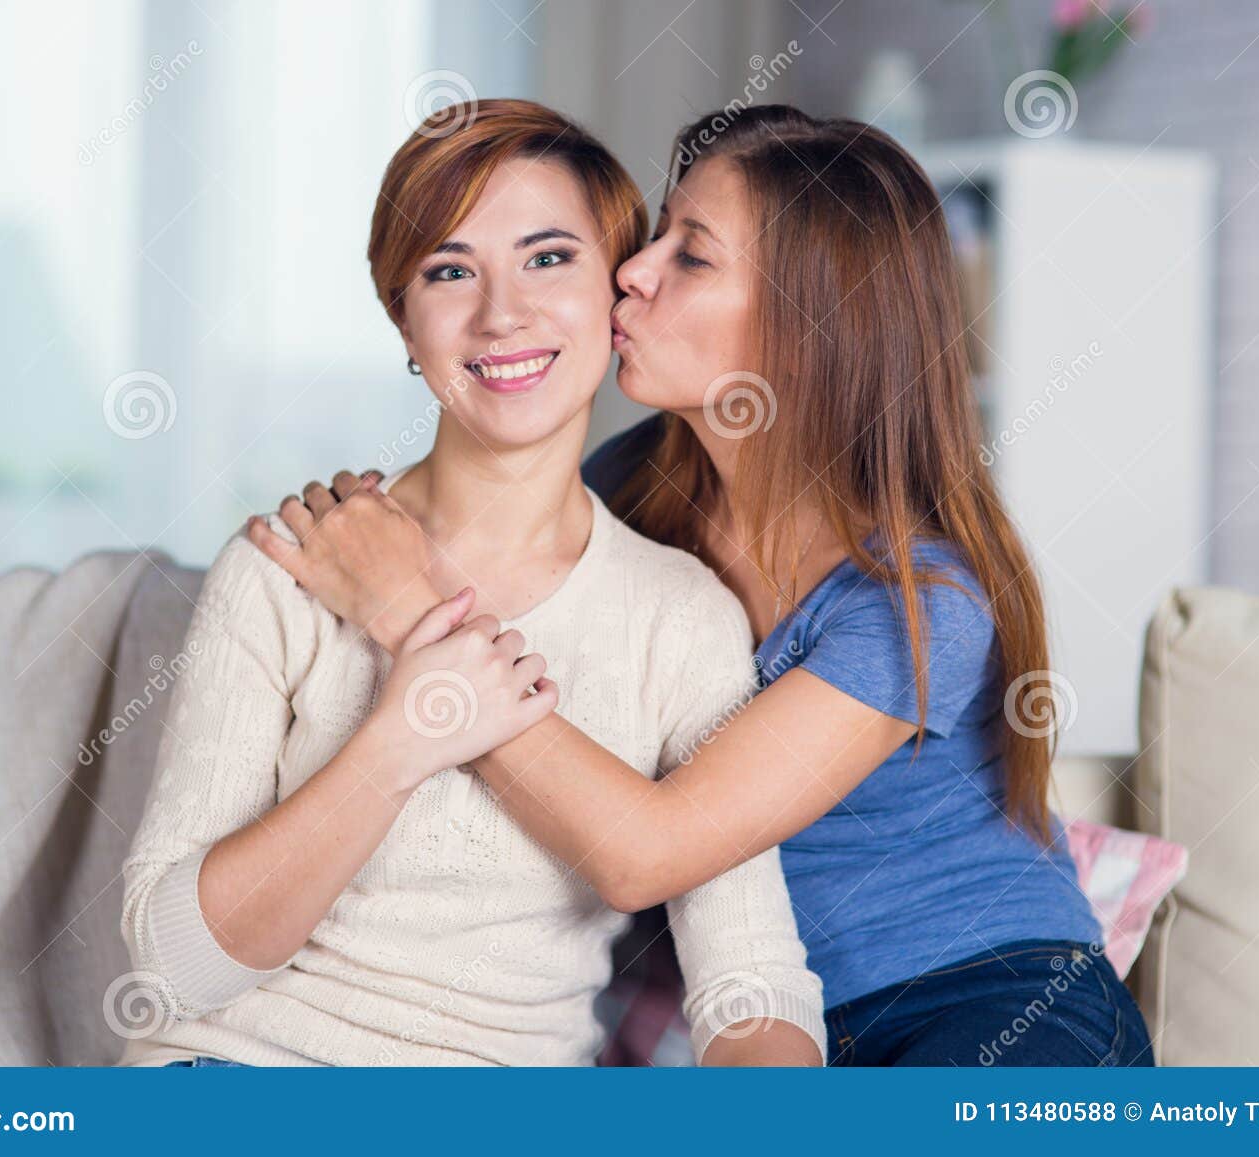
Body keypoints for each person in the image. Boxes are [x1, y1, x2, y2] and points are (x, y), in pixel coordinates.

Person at [251, 104, 1154, 1067]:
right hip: (783, 1024)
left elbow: (648, 852)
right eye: (660, 233)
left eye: (692, 255)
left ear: (807, 326)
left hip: (994, 1003)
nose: (631, 269)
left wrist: (404, 608)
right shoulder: (634, 483)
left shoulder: (913, 601)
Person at [118, 99, 825, 1068]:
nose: (502, 313)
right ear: (404, 321)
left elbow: (748, 980)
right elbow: (172, 964)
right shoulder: (290, 565)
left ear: (616, 297)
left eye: (547, 258)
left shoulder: (680, 614)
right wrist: (398, 741)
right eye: (450, 271)